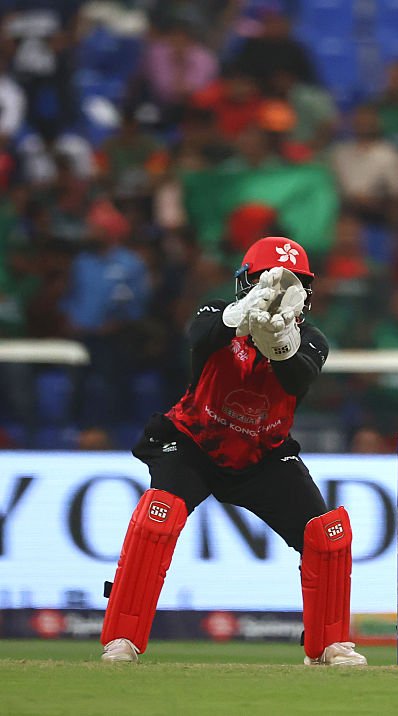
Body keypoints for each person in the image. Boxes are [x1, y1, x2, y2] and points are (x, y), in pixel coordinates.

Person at [99, 236, 366, 667]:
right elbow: (200, 333)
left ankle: (328, 645)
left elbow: (297, 379)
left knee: (325, 534)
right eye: (269, 282)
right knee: (158, 516)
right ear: (247, 284)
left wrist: (279, 340)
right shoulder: (215, 313)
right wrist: (241, 318)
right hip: (191, 443)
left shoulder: (312, 340)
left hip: (264, 455)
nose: (280, 291)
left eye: (291, 284)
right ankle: (122, 639)